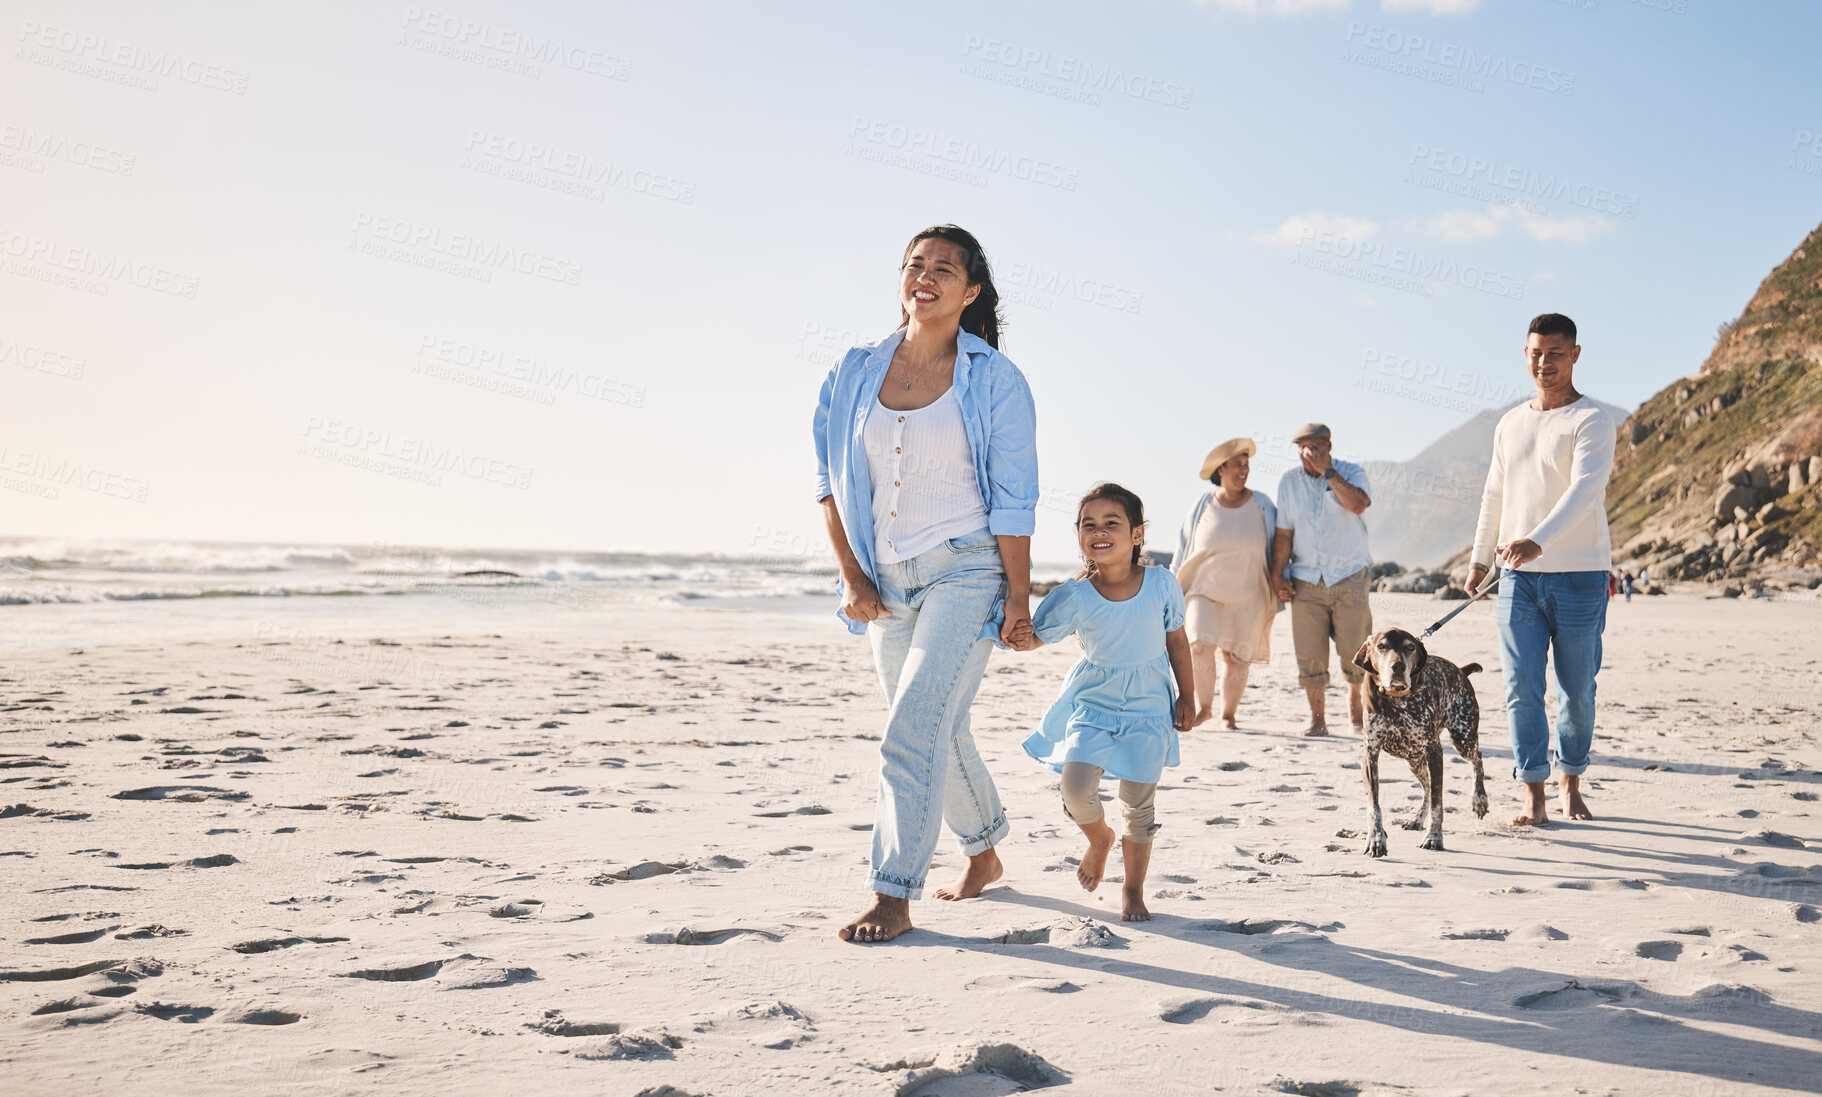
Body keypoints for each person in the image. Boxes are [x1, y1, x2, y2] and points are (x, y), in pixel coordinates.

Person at [813, 224, 1039, 943]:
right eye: (916, 263)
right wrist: (852, 575)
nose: (926, 275)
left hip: (967, 568)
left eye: (945, 268)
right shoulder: (854, 370)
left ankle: (892, 893)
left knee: (911, 726)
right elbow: (829, 481)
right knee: (939, 725)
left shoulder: (994, 377)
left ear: (969, 291)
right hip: (885, 578)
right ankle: (986, 851)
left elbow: (1014, 497)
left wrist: (1018, 597)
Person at [1017, 483, 1194, 922]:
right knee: (1075, 789)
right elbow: (1035, 637)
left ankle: (1132, 890)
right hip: (1093, 704)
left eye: (1111, 523)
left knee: (1138, 805)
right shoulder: (1075, 595)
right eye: (1087, 524)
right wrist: (1015, 631)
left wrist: (1188, 695)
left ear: (1137, 534)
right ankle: (1099, 840)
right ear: (1079, 536)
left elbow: (1177, 640)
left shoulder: (1161, 583)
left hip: (1150, 705)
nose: (1099, 531)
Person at [1467, 312, 1615, 827]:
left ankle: (1571, 779)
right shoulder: (1510, 422)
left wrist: (1538, 541)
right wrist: (1479, 558)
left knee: (1577, 690)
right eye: (1536, 352)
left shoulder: (1592, 420)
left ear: (1575, 354)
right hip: (1516, 578)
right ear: (1524, 354)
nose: (1544, 362)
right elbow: (1494, 494)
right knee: (1520, 687)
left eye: (1555, 352)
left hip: (1580, 575)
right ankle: (1533, 792)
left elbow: (1584, 491)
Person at [1270, 423, 1374, 736]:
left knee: (1355, 649)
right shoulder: (1288, 482)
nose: (1308, 454)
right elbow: (1284, 533)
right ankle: (1318, 720)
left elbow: (1358, 504)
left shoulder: (1352, 473)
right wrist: (1278, 574)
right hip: (1305, 577)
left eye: (1314, 447)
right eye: (1302, 448)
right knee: (1309, 652)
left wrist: (1328, 472)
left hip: (1349, 575)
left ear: (1328, 446)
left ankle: (1355, 697)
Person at [1173, 438, 1280, 729]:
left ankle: (1228, 715)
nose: (1243, 470)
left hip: (1249, 592)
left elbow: (1281, 544)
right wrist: (1170, 588)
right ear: (1220, 469)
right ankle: (1204, 707)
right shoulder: (1201, 506)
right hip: (1203, 591)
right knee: (1198, 644)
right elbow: (1183, 550)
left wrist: (1283, 578)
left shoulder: (1263, 505)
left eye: (1246, 465)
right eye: (1237, 465)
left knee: (1238, 657)